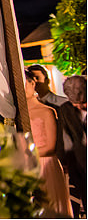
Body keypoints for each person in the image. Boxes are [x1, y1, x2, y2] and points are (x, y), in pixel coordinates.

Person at [25, 68, 72, 216]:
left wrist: (25, 153)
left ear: (32, 83)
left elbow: (51, 146)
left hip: (45, 163)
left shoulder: (47, 111)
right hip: (26, 165)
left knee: (50, 208)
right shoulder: (15, 114)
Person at [58, 75, 86, 216]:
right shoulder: (65, 110)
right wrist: (64, 161)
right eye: (76, 104)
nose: (81, 107)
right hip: (81, 163)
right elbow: (65, 138)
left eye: (84, 102)